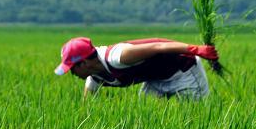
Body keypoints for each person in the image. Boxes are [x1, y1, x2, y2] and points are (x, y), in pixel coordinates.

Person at [54, 37, 219, 100]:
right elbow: (87, 105)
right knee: (146, 117)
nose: (73, 74)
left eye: (72, 69)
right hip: (155, 80)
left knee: (196, 117)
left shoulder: (118, 56)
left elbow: (159, 46)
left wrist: (196, 49)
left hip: (184, 72)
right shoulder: (94, 76)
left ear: (84, 63)